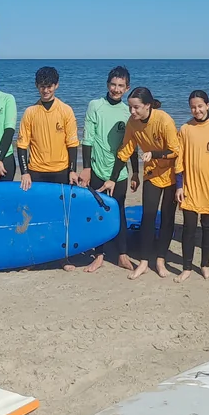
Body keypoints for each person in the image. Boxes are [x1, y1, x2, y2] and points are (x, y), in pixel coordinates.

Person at [104, 87, 180, 280]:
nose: (132, 112)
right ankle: (144, 262)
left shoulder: (164, 120)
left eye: (136, 108)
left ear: (147, 105)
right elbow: (125, 150)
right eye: (130, 108)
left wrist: (153, 154)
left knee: (167, 218)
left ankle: (160, 260)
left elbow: (175, 151)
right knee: (148, 216)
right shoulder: (133, 123)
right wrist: (113, 178)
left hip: (171, 174)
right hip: (152, 174)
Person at [78, 66, 133, 273]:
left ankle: (122, 254)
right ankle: (99, 255)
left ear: (127, 88)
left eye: (120, 86)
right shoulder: (95, 106)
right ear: (107, 84)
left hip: (119, 172)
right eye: (113, 84)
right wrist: (86, 168)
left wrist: (135, 172)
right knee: (97, 211)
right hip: (97, 169)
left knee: (119, 210)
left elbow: (130, 146)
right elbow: (88, 138)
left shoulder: (129, 111)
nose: (116, 89)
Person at [175, 91, 209, 283]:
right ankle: (187, 267)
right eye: (193, 107)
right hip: (190, 187)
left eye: (200, 106)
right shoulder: (185, 129)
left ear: (208, 105)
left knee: (208, 227)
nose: (196, 110)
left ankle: (205, 265)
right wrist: (179, 186)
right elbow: (179, 160)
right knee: (188, 228)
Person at [16, 66, 80, 190]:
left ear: (56, 85)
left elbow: (72, 143)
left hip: (61, 170)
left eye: (49, 86)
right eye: (42, 86)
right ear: (36, 85)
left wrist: (72, 170)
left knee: (61, 209)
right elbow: (22, 145)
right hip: (36, 171)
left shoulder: (66, 110)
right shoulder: (30, 112)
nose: (45, 90)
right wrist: (24, 172)